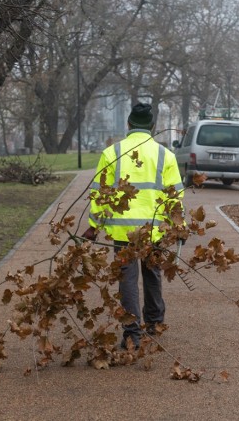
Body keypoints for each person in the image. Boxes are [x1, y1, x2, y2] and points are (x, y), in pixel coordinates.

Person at [82, 102, 184, 349]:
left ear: (128, 124)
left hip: (123, 231)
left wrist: (94, 226)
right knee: (152, 274)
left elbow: (100, 194)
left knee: (127, 280)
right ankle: (154, 323)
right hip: (154, 230)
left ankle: (131, 334)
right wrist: (176, 225)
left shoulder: (112, 153)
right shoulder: (165, 155)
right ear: (152, 126)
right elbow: (174, 196)